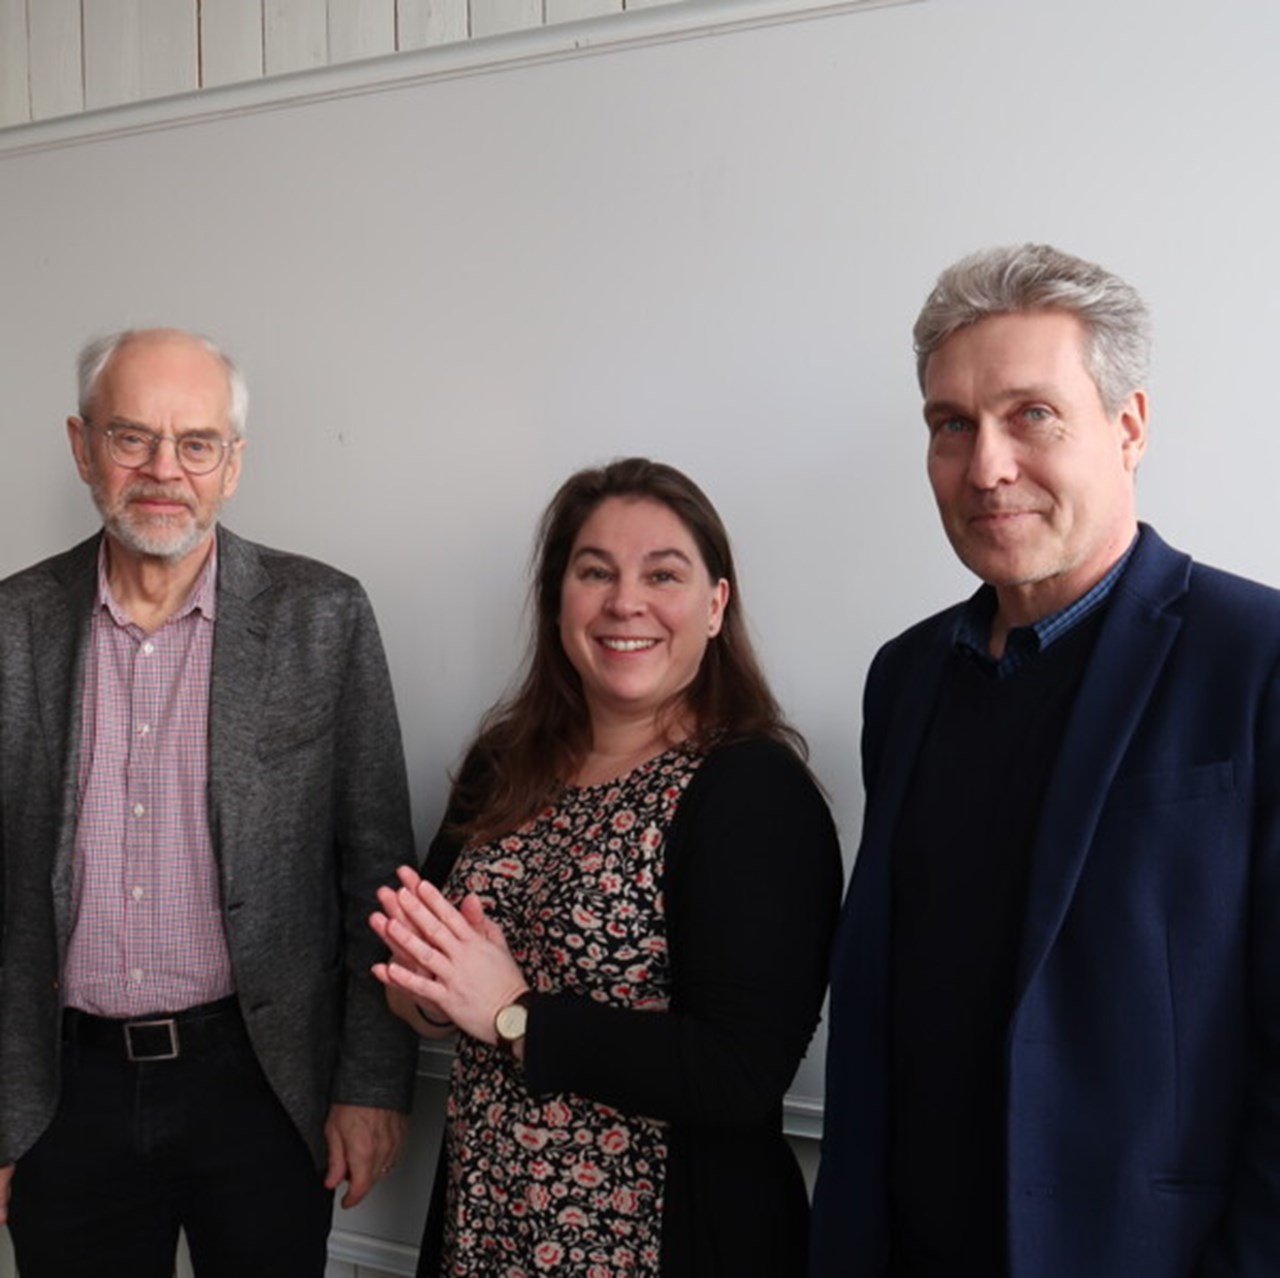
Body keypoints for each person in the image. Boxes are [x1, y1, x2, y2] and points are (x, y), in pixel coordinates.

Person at [810, 244, 1280, 1277]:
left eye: (1030, 414)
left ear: (1126, 427)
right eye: (950, 425)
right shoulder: (903, 677)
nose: (984, 466)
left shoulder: (1252, 659)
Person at [0, 328, 418, 1277]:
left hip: (265, 1085)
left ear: (233, 465)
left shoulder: (324, 617)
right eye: (131, 437)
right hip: (62, 1094)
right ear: (80, 446)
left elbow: (378, 873)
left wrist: (371, 1084)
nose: (163, 470)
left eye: (197, 443)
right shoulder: (10, 625)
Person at [371, 457, 843, 1277]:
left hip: (657, 1246)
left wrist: (516, 1014)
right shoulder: (503, 763)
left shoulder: (753, 793)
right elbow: (446, 996)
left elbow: (740, 1074)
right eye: (596, 573)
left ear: (715, 606)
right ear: (561, 603)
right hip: (486, 1230)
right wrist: (425, 995)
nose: (626, 602)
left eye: (664, 574)